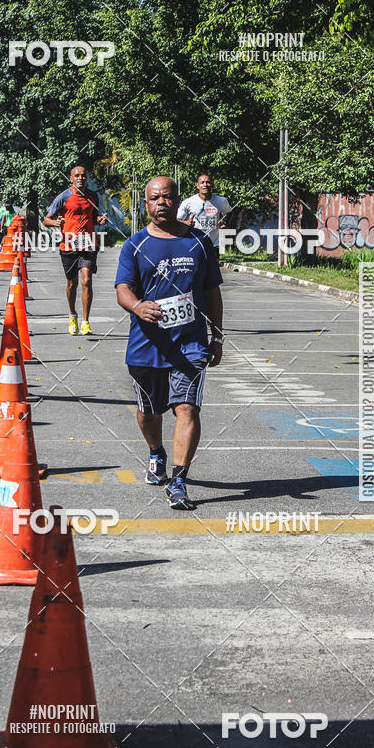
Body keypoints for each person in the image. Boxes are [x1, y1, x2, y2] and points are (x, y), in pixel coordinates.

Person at [115, 176, 224, 510]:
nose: (161, 202)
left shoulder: (199, 243)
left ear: (178, 201)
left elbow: (212, 292)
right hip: (147, 345)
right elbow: (123, 288)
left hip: (190, 344)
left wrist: (217, 335)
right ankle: (155, 451)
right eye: (154, 198)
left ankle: (178, 481)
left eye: (167, 197)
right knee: (149, 411)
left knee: (187, 407)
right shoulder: (134, 245)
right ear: (146, 204)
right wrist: (137, 306)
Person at [43, 165, 107, 336]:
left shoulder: (93, 196)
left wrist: (99, 220)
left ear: (87, 178)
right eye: (77, 175)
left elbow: (93, 218)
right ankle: (72, 315)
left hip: (88, 244)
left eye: (83, 175)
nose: (80, 178)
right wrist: (55, 223)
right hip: (68, 245)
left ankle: (86, 321)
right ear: (71, 178)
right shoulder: (64, 197)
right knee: (72, 284)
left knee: (86, 280)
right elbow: (46, 219)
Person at [177, 173, 232, 257]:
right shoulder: (188, 202)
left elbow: (228, 213)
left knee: (213, 270)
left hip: (213, 244)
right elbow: (177, 220)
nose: (205, 185)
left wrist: (224, 223)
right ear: (197, 185)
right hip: (194, 243)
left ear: (212, 185)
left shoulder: (221, 201)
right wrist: (186, 223)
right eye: (202, 182)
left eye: (208, 182)